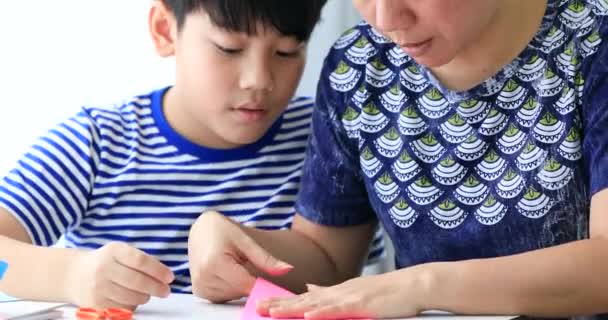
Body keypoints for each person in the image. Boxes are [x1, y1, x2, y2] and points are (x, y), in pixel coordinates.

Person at [189, 0, 608, 318]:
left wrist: (424, 285)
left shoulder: (594, 41)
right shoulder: (359, 65)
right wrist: (240, 247)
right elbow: (329, 257)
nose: (386, 19)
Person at [0, 0, 388, 310]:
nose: (259, 80)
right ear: (165, 30)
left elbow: (343, 272)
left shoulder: (327, 140)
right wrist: (69, 275)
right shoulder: (96, 143)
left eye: (287, 51)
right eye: (229, 48)